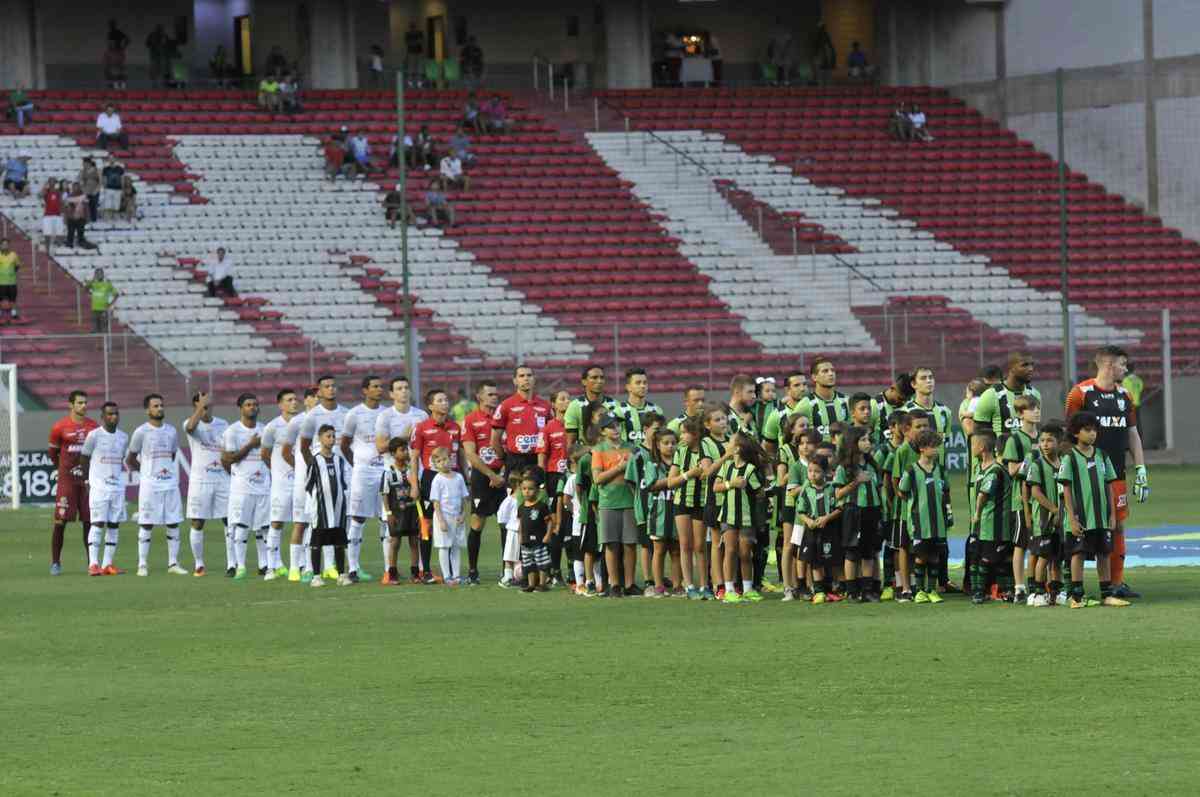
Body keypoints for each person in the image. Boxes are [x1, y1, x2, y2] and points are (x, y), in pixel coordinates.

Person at [1065, 345, 1147, 599]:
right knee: (1077, 529)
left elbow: (1132, 434)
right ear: (1109, 365)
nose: (1126, 368)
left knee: (1118, 525)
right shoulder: (1080, 393)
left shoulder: (1125, 396)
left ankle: (1116, 583)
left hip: (1116, 476)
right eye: (1123, 364)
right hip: (1085, 478)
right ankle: (1064, 585)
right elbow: (1067, 434)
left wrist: (1141, 469)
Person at [1057, 412, 1130, 609]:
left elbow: (1108, 486)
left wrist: (1112, 514)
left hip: (1101, 517)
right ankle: (1076, 597)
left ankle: (1107, 595)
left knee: (1104, 554)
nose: (1092, 434)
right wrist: (1071, 518)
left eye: (1094, 430)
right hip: (1081, 517)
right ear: (1075, 432)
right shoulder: (1070, 458)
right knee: (1078, 554)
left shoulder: (1102, 455)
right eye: (1087, 430)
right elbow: (1066, 490)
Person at [373, 375, 428, 578]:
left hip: (416, 472)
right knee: (392, 528)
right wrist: (405, 437)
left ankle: (420, 569)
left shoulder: (421, 415)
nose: (403, 391)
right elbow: (380, 447)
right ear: (391, 394)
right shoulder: (385, 416)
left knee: (418, 525)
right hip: (393, 476)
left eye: (406, 387)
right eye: (399, 388)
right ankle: (390, 571)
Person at [126, 393, 185, 577]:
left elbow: (173, 455)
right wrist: (146, 473)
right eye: (155, 406)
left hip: (169, 484)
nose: (160, 408)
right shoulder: (141, 432)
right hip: (150, 486)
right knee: (146, 523)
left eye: (161, 405)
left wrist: (164, 471)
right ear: (147, 410)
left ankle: (173, 563)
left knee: (173, 522)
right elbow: (130, 459)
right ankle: (142, 564)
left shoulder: (171, 431)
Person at [297, 375, 350, 580]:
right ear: (319, 391)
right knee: (317, 536)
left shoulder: (346, 414)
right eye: (326, 386)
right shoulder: (312, 417)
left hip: (338, 498)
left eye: (333, 385)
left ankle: (344, 571)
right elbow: (303, 447)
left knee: (339, 536)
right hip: (321, 500)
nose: (331, 389)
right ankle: (314, 572)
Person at [410, 388, 464, 583]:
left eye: (446, 399)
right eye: (440, 400)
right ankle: (425, 570)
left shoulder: (455, 427)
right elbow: (414, 458)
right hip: (430, 479)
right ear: (431, 405)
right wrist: (415, 484)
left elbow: (460, 456)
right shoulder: (421, 427)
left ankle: (452, 572)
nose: (445, 403)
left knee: (452, 524)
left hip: (452, 477)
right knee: (427, 525)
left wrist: (464, 477)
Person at [339, 375, 386, 582]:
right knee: (358, 519)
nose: (379, 390)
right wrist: (358, 464)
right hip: (363, 473)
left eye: (380, 386)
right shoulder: (354, 414)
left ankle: (388, 568)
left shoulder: (387, 413)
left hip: (385, 471)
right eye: (375, 387)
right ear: (365, 390)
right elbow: (344, 444)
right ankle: (353, 568)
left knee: (387, 518)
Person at [896, 429, 951, 604]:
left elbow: (946, 491)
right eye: (933, 446)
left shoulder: (940, 470)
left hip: (938, 522)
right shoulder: (911, 470)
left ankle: (931, 590)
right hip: (920, 522)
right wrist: (917, 507)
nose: (936, 450)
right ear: (922, 448)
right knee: (921, 556)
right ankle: (919, 591)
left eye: (937, 446)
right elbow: (902, 491)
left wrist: (948, 514)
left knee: (935, 556)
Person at [47, 391, 99, 575]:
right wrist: (62, 469)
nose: (83, 406)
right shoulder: (59, 427)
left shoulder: (94, 427)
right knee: (60, 521)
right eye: (79, 403)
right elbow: (53, 453)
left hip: (86, 482)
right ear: (71, 405)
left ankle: (91, 563)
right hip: (67, 482)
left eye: (85, 402)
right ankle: (55, 563)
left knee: (89, 522)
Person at [222, 393, 273, 580]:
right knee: (241, 527)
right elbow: (229, 458)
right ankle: (240, 566)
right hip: (242, 488)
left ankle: (265, 565)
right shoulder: (232, 431)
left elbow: (269, 455)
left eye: (255, 404)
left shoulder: (265, 429)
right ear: (241, 408)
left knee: (264, 528)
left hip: (263, 486)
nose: (252, 407)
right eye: (248, 404)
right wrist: (251, 445)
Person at [832, 425, 883, 602]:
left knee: (869, 552)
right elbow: (837, 494)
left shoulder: (872, 464)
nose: (867, 443)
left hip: (872, 510)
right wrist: (855, 482)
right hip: (853, 511)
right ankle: (852, 590)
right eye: (863, 440)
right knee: (852, 552)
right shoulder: (844, 468)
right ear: (853, 443)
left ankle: (868, 589)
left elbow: (878, 488)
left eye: (868, 439)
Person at [183, 391, 231, 577]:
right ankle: (199, 564)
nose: (207, 406)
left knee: (229, 521)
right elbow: (190, 428)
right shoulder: (189, 422)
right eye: (202, 403)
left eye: (208, 403)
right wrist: (200, 407)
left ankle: (232, 563)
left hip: (222, 479)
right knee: (197, 521)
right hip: (200, 480)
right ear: (196, 405)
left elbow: (227, 450)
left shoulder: (223, 424)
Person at [462, 381, 505, 582]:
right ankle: (472, 571)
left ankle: (508, 570)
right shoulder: (471, 420)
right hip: (482, 476)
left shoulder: (505, 416)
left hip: (504, 475)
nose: (494, 397)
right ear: (480, 397)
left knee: (507, 524)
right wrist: (491, 475)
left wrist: (502, 473)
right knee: (477, 523)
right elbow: (470, 454)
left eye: (496, 393)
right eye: (490, 394)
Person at [714, 433, 765, 603]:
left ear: (737, 449)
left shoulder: (750, 470)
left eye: (730, 442)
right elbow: (716, 487)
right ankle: (729, 590)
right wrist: (731, 484)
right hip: (727, 516)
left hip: (746, 517)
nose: (727, 443)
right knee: (730, 551)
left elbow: (759, 492)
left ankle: (748, 588)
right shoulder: (726, 466)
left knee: (744, 553)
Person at [80, 402, 128, 575]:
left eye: (115, 413)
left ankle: (108, 564)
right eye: (109, 414)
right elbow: (84, 458)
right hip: (99, 487)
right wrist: (86, 481)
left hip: (117, 488)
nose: (113, 417)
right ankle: (93, 564)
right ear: (102, 417)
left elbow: (121, 458)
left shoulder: (123, 437)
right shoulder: (94, 436)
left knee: (114, 525)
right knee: (98, 523)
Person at [592, 414, 637, 597]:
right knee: (611, 544)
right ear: (603, 431)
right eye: (611, 426)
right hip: (608, 502)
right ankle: (615, 584)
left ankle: (629, 584)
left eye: (617, 425)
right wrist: (619, 467)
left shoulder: (631, 448)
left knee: (630, 544)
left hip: (629, 500)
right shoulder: (598, 450)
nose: (616, 429)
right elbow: (597, 479)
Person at [1023, 421, 1065, 606]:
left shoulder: (1064, 463)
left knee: (1057, 559)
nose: (1045, 444)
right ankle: (1038, 592)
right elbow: (1035, 492)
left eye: (1050, 440)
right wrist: (1053, 509)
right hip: (1044, 520)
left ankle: (1056, 592)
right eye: (1042, 440)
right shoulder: (1037, 465)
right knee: (1043, 556)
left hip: (1062, 520)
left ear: (1059, 442)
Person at [306, 424, 352, 587]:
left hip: (339, 509)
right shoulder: (315, 460)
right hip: (322, 510)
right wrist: (316, 505)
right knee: (317, 542)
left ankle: (341, 575)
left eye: (333, 436)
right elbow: (309, 485)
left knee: (340, 542)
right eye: (328, 436)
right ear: (320, 439)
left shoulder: (339, 460)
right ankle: (316, 576)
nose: (331, 439)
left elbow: (343, 484)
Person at [262, 389, 301, 580]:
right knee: (276, 523)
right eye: (289, 400)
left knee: (303, 522)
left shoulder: (304, 423)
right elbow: (264, 454)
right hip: (281, 484)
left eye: (295, 399)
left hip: (301, 483)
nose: (294, 402)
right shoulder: (272, 427)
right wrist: (278, 471)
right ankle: (272, 566)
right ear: (280, 404)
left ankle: (303, 564)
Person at [970, 429, 1012, 604]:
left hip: (994, 523)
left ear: (982, 447)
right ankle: (980, 590)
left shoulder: (995, 470)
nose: (971, 447)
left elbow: (982, 495)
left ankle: (990, 591)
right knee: (977, 557)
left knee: (990, 559)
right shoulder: (978, 468)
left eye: (973, 444)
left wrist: (977, 514)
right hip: (981, 524)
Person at [491, 364, 554, 480]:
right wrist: (506, 459)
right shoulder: (506, 405)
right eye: (522, 376)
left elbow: (551, 436)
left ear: (534, 379)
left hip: (538, 460)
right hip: (515, 461)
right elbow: (494, 440)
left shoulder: (545, 406)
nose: (526, 378)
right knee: (514, 497)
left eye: (529, 375)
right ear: (515, 381)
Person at [796, 454, 840, 602]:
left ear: (826, 472)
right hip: (812, 530)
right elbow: (800, 511)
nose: (812, 474)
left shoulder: (831, 487)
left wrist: (827, 518)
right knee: (815, 561)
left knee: (828, 559)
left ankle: (829, 590)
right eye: (810, 471)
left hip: (828, 529)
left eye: (817, 471)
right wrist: (808, 521)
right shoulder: (806, 488)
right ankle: (819, 591)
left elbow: (839, 508)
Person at [537, 390, 571, 584]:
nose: (567, 402)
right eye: (563, 399)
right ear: (553, 404)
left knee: (572, 524)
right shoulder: (549, 428)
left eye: (569, 398)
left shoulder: (575, 426)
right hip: (553, 478)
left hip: (572, 478)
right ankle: (554, 570)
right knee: (557, 525)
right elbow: (542, 456)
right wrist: (542, 483)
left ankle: (574, 570)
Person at [380, 439, 419, 584]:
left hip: (412, 510)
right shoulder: (388, 473)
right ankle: (392, 574)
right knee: (395, 542)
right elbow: (384, 493)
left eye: (406, 449)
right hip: (397, 512)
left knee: (414, 541)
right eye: (401, 450)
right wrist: (388, 513)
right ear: (393, 453)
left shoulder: (411, 470)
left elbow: (416, 489)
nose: (405, 452)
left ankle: (415, 573)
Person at [430, 446, 470, 585]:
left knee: (456, 546)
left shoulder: (459, 477)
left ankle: (457, 575)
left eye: (445, 459)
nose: (443, 463)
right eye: (439, 461)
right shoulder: (437, 480)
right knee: (444, 546)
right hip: (444, 516)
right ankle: (447, 576)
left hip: (457, 517)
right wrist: (441, 521)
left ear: (451, 459)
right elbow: (436, 502)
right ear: (435, 465)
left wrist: (463, 514)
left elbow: (465, 498)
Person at [517, 475, 555, 593]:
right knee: (529, 563)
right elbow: (520, 524)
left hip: (539, 540)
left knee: (541, 562)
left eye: (530, 489)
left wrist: (548, 535)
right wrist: (520, 536)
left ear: (537, 491)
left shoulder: (541, 506)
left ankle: (542, 584)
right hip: (526, 541)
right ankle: (531, 584)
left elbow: (549, 522)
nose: (527, 491)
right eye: (524, 489)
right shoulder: (521, 507)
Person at [565, 364, 617, 447]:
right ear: (584, 381)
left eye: (602, 378)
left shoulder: (615, 405)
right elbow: (570, 442)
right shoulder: (574, 406)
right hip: (585, 455)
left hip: (609, 455)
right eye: (594, 377)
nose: (599, 381)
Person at [798, 357, 849, 440]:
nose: (831, 374)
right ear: (814, 377)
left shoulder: (846, 401)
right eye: (825, 371)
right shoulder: (805, 404)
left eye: (832, 370)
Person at [84, 268, 117, 333]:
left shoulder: (107, 284)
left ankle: (105, 342)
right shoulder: (93, 283)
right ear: (95, 275)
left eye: (100, 273)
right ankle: (96, 342)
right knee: (95, 330)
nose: (99, 275)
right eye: (97, 274)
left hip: (104, 309)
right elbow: (85, 289)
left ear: (103, 274)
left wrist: (110, 304)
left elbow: (116, 294)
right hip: (95, 309)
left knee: (104, 329)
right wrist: (92, 280)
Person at [63, 182, 91, 249]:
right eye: (74, 187)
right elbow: (66, 208)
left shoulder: (84, 196)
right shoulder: (69, 196)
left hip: (81, 217)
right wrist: (65, 218)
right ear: (72, 188)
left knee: (81, 232)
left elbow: (87, 207)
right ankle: (70, 243)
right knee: (70, 232)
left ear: (79, 187)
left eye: (77, 187)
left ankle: (81, 242)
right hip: (71, 218)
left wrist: (88, 217)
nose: (76, 188)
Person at [40, 178, 65, 246]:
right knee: (47, 234)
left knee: (60, 233)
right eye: (50, 181)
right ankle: (47, 247)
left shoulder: (58, 192)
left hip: (57, 214)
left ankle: (59, 247)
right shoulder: (46, 192)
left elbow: (61, 202)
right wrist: (44, 186)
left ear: (55, 183)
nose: (52, 183)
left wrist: (62, 212)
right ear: (48, 183)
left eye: (53, 181)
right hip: (48, 215)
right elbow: (40, 195)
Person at [0, 238, 19, 320]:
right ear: (0, 245)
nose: (5, 246)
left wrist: (11, 273)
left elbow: (17, 266)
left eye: (7, 244)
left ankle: (14, 314)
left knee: (13, 299)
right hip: (1, 282)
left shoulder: (14, 255)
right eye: (3, 244)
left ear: (9, 245)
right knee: (1, 299)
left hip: (12, 282)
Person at [79, 157, 101, 223]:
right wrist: (83, 189)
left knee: (93, 205)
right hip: (86, 191)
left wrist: (97, 190)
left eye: (84, 163)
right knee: (86, 206)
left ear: (88, 163)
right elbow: (81, 181)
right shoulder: (83, 171)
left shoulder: (96, 170)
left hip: (95, 190)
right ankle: (87, 219)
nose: (83, 165)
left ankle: (94, 220)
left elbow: (100, 181)